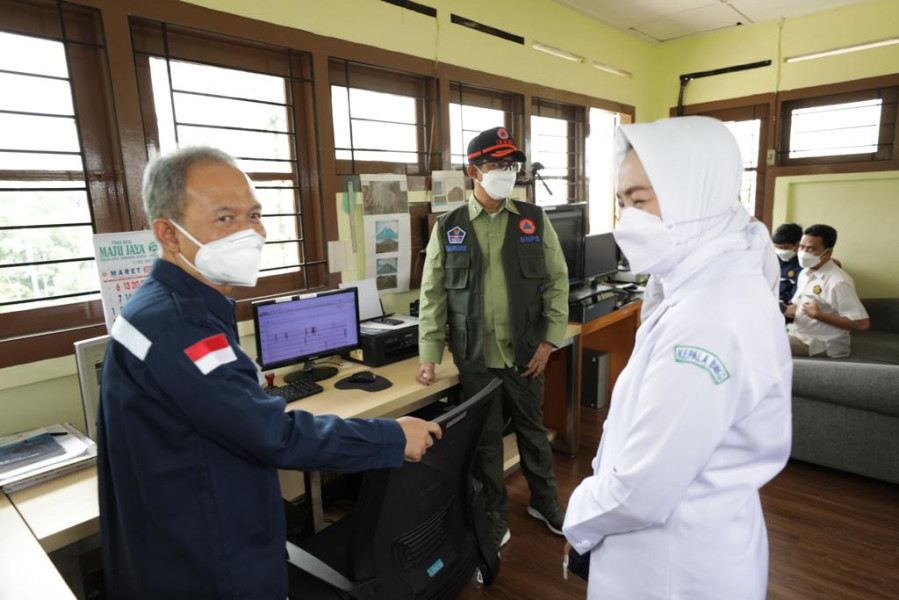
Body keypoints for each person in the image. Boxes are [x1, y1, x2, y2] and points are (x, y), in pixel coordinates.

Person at [97, 146, 441, 599]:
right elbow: (271, 434)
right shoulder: (178, 326)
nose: (251, 232)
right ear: (169, 233)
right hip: (206, 559)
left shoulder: (164, 306)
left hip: (179, 535)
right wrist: (392, 437)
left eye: (254, 214)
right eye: (225, 218)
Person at [562, 116, 792, 600]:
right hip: (693, 543)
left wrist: (578, 516)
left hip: (671, 569)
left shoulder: (709, 319)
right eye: (623, 204)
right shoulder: (714, 279)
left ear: (696, 192)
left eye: (640, 201)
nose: (628, 221)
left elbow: (641, 491)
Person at [416, 126, 570, 550]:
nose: (506, 171)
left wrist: (548, 341)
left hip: (526, 352)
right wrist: (428, 354)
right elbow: (432, 296)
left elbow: (558, 281)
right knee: (485, 442)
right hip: (475, 355)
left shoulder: (533, 220)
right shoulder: (449, 228)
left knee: (533, 433)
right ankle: (494, 514)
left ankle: (546, 502)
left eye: (510, 164)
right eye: (495, 164)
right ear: (474, 171)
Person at [784, 224, 870, 357]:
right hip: (797, 333)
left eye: (811, 249)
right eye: (801, 247)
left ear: (828, 252)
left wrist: (819, 315)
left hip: (819, 343)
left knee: (762, 343)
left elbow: (862, 324)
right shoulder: (805, 273)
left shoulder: (838, 282)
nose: (803, 253)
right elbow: (796, 308)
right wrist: (783, 309)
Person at [772, 222, 803, 307]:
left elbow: (796, 299)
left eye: (784, 248)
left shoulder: (803, 265)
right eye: (777, 247)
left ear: (797, 245)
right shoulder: (772, 259)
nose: (779, 251)